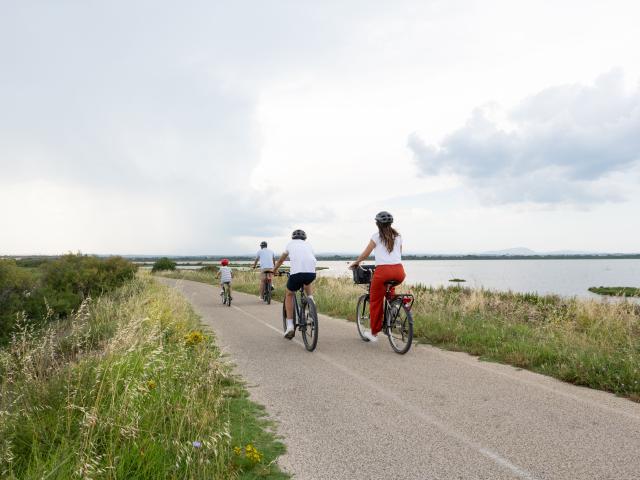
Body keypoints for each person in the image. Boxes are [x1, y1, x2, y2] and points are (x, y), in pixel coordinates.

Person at [350, 211, 405, 343]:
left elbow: (365, 254)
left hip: (383, 272)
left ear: (377, 224)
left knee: (375, 301)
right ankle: (393, 309)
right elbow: (399, 254)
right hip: (399, 271)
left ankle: (374, 333)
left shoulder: (376, 237)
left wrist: (356, 263)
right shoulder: (398, 236)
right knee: (389, 290)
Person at [273, 229, 316, 339]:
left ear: (293, 238)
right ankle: (311, 300)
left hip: (296, 274)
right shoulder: (308, 245)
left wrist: (275, 269)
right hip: (311, 273)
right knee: (307, 281)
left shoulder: (290, 244)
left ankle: (290, 326)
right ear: (304, 238)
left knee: (289, 294)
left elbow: (282, 259)